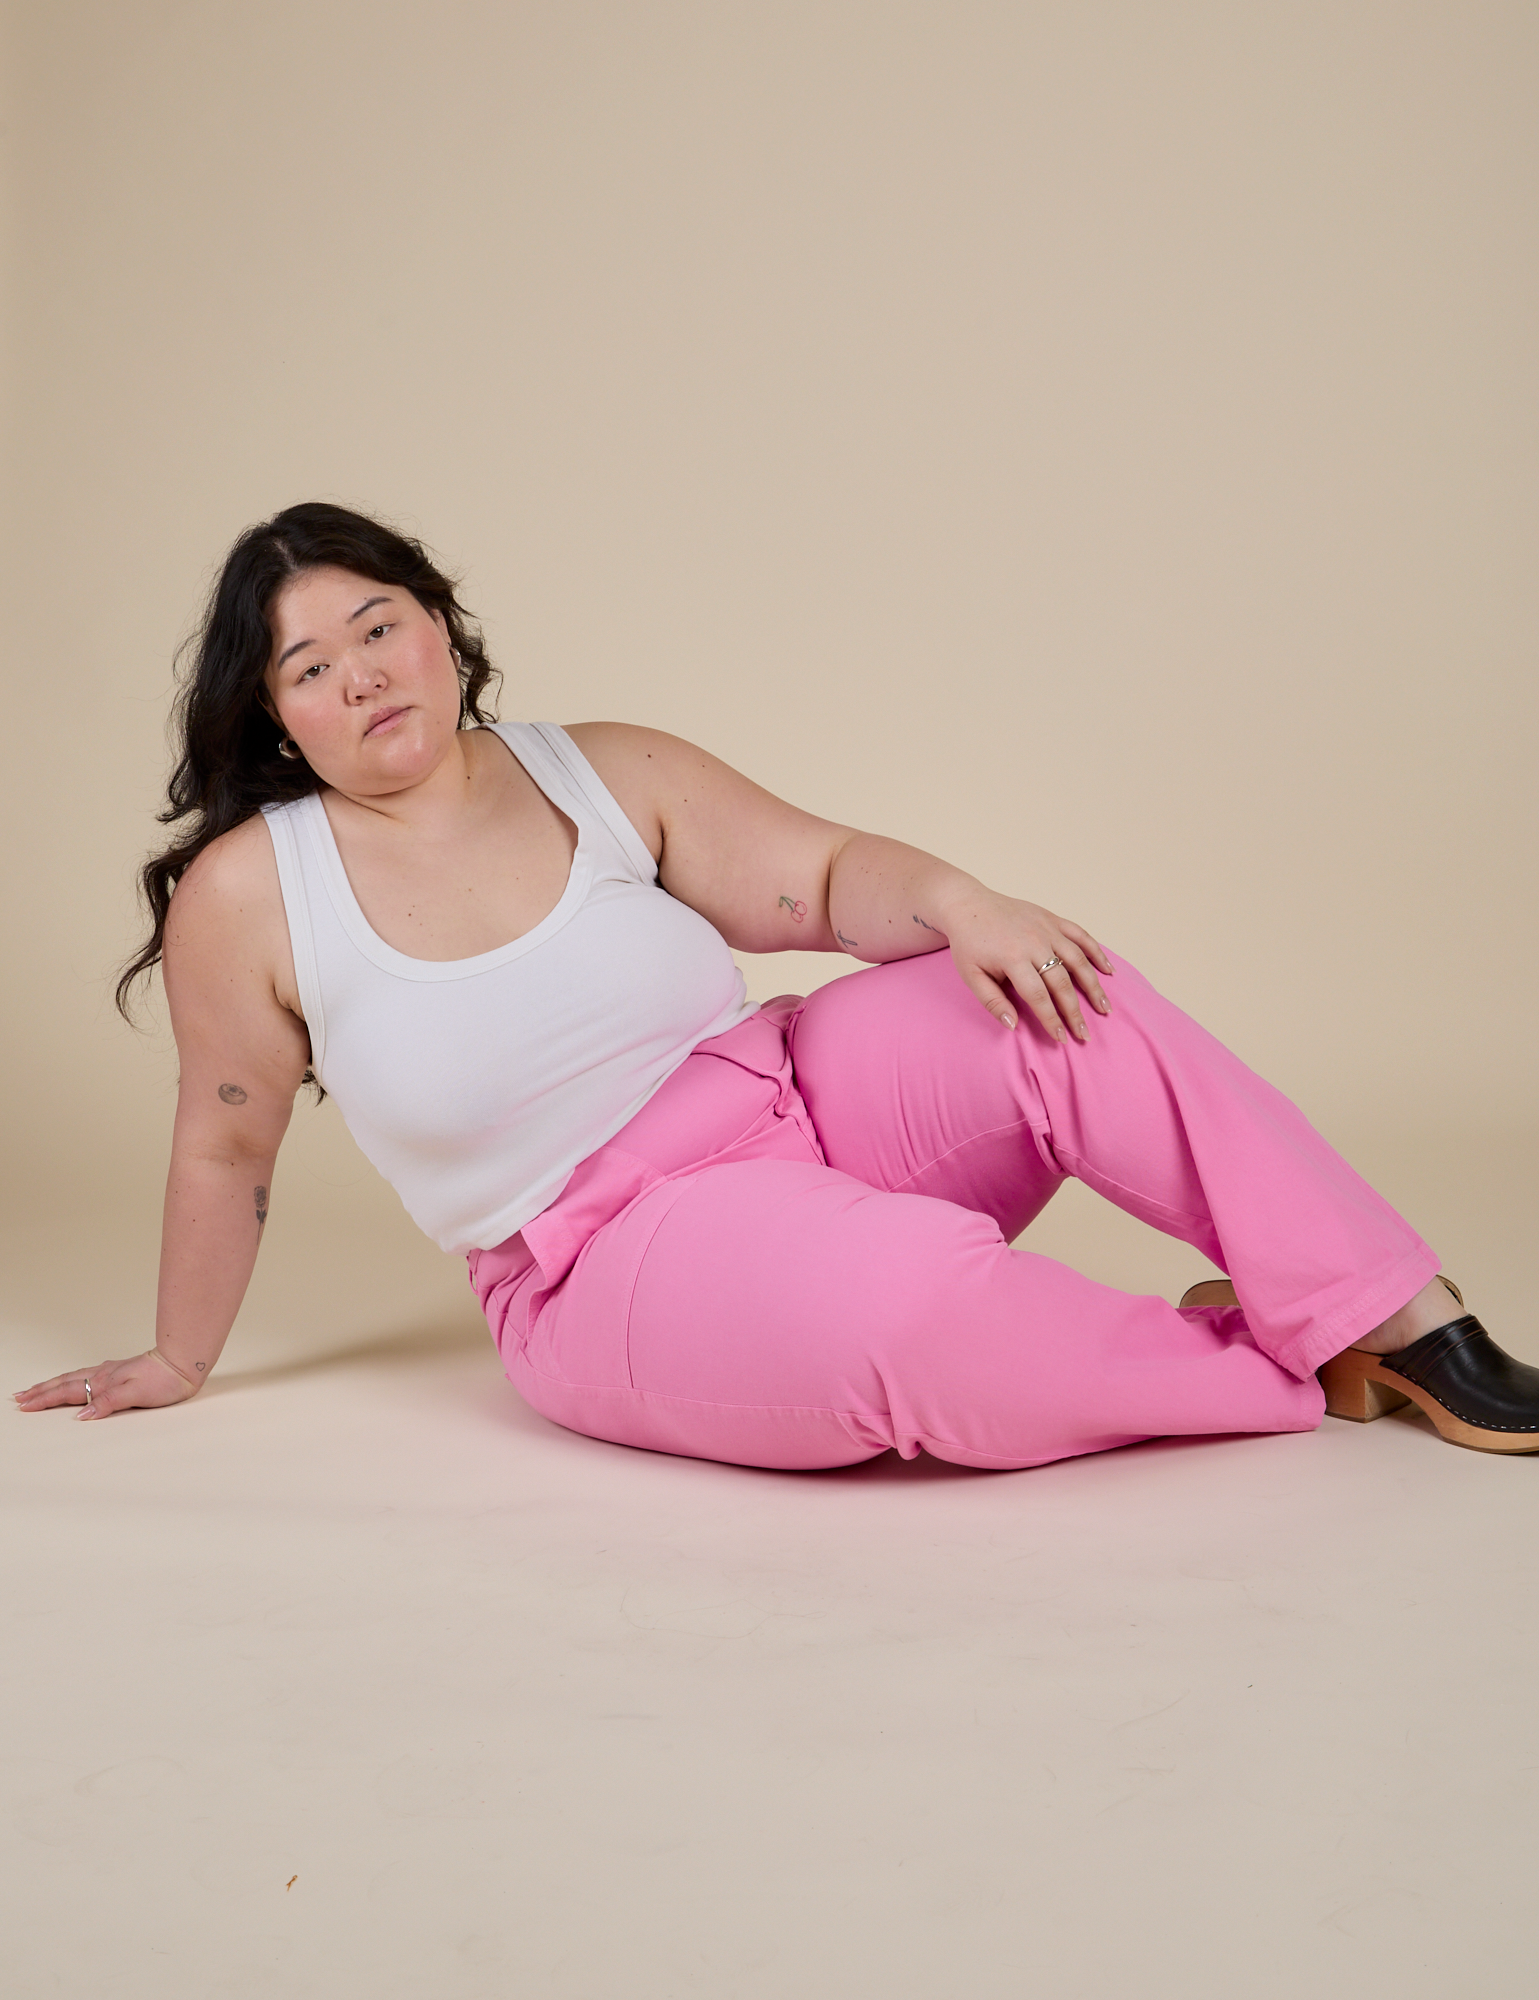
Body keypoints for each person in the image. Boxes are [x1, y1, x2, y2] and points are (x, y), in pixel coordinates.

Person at [15, 503, 1538, 1462]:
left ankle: (1405, 1324)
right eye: (305, 666)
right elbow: (226, 1139)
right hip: (604, 1259)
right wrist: (175, 1354)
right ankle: (1275, 1364)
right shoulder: (251, 891)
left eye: (377, 624)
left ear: (438, 629)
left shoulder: (598, 768)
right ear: (278, 719)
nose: (359, 673)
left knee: (1057, 987)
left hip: (797, 1095)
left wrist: (966, 901)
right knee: (914, 1322)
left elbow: (816, 880)